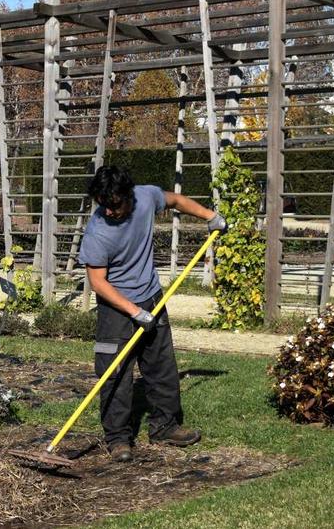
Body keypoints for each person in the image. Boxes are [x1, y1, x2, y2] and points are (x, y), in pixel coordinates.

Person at [78, 166, 227, 462]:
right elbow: (98, 282)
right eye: (103, 205)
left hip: (152, 297)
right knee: (115, 373)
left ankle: (165, 426)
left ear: (129, 196)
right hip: (116, 309)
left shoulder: (145, 197)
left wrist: (210, 217)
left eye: (115, 205)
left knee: (161, 366)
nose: (109, 212)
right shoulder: (97, 232)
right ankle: (118, 438)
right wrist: (135, 312)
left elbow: (175, 200)